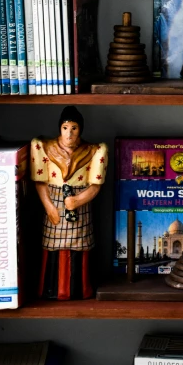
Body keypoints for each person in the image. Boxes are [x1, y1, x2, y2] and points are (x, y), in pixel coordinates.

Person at [31, 106, 108, 300]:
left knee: (79, 248)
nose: (69, 133)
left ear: (80, 129)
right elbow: (40, 181)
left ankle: (79, 288)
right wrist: (49, 206)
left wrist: (78, 200)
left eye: (74, 128)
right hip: (54, 201)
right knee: (52, 247)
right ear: (60, 128)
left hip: (78, 204)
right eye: (66, 127)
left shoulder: (94, 150)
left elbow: (95, 186)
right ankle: (50, 288)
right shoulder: (44, 147)